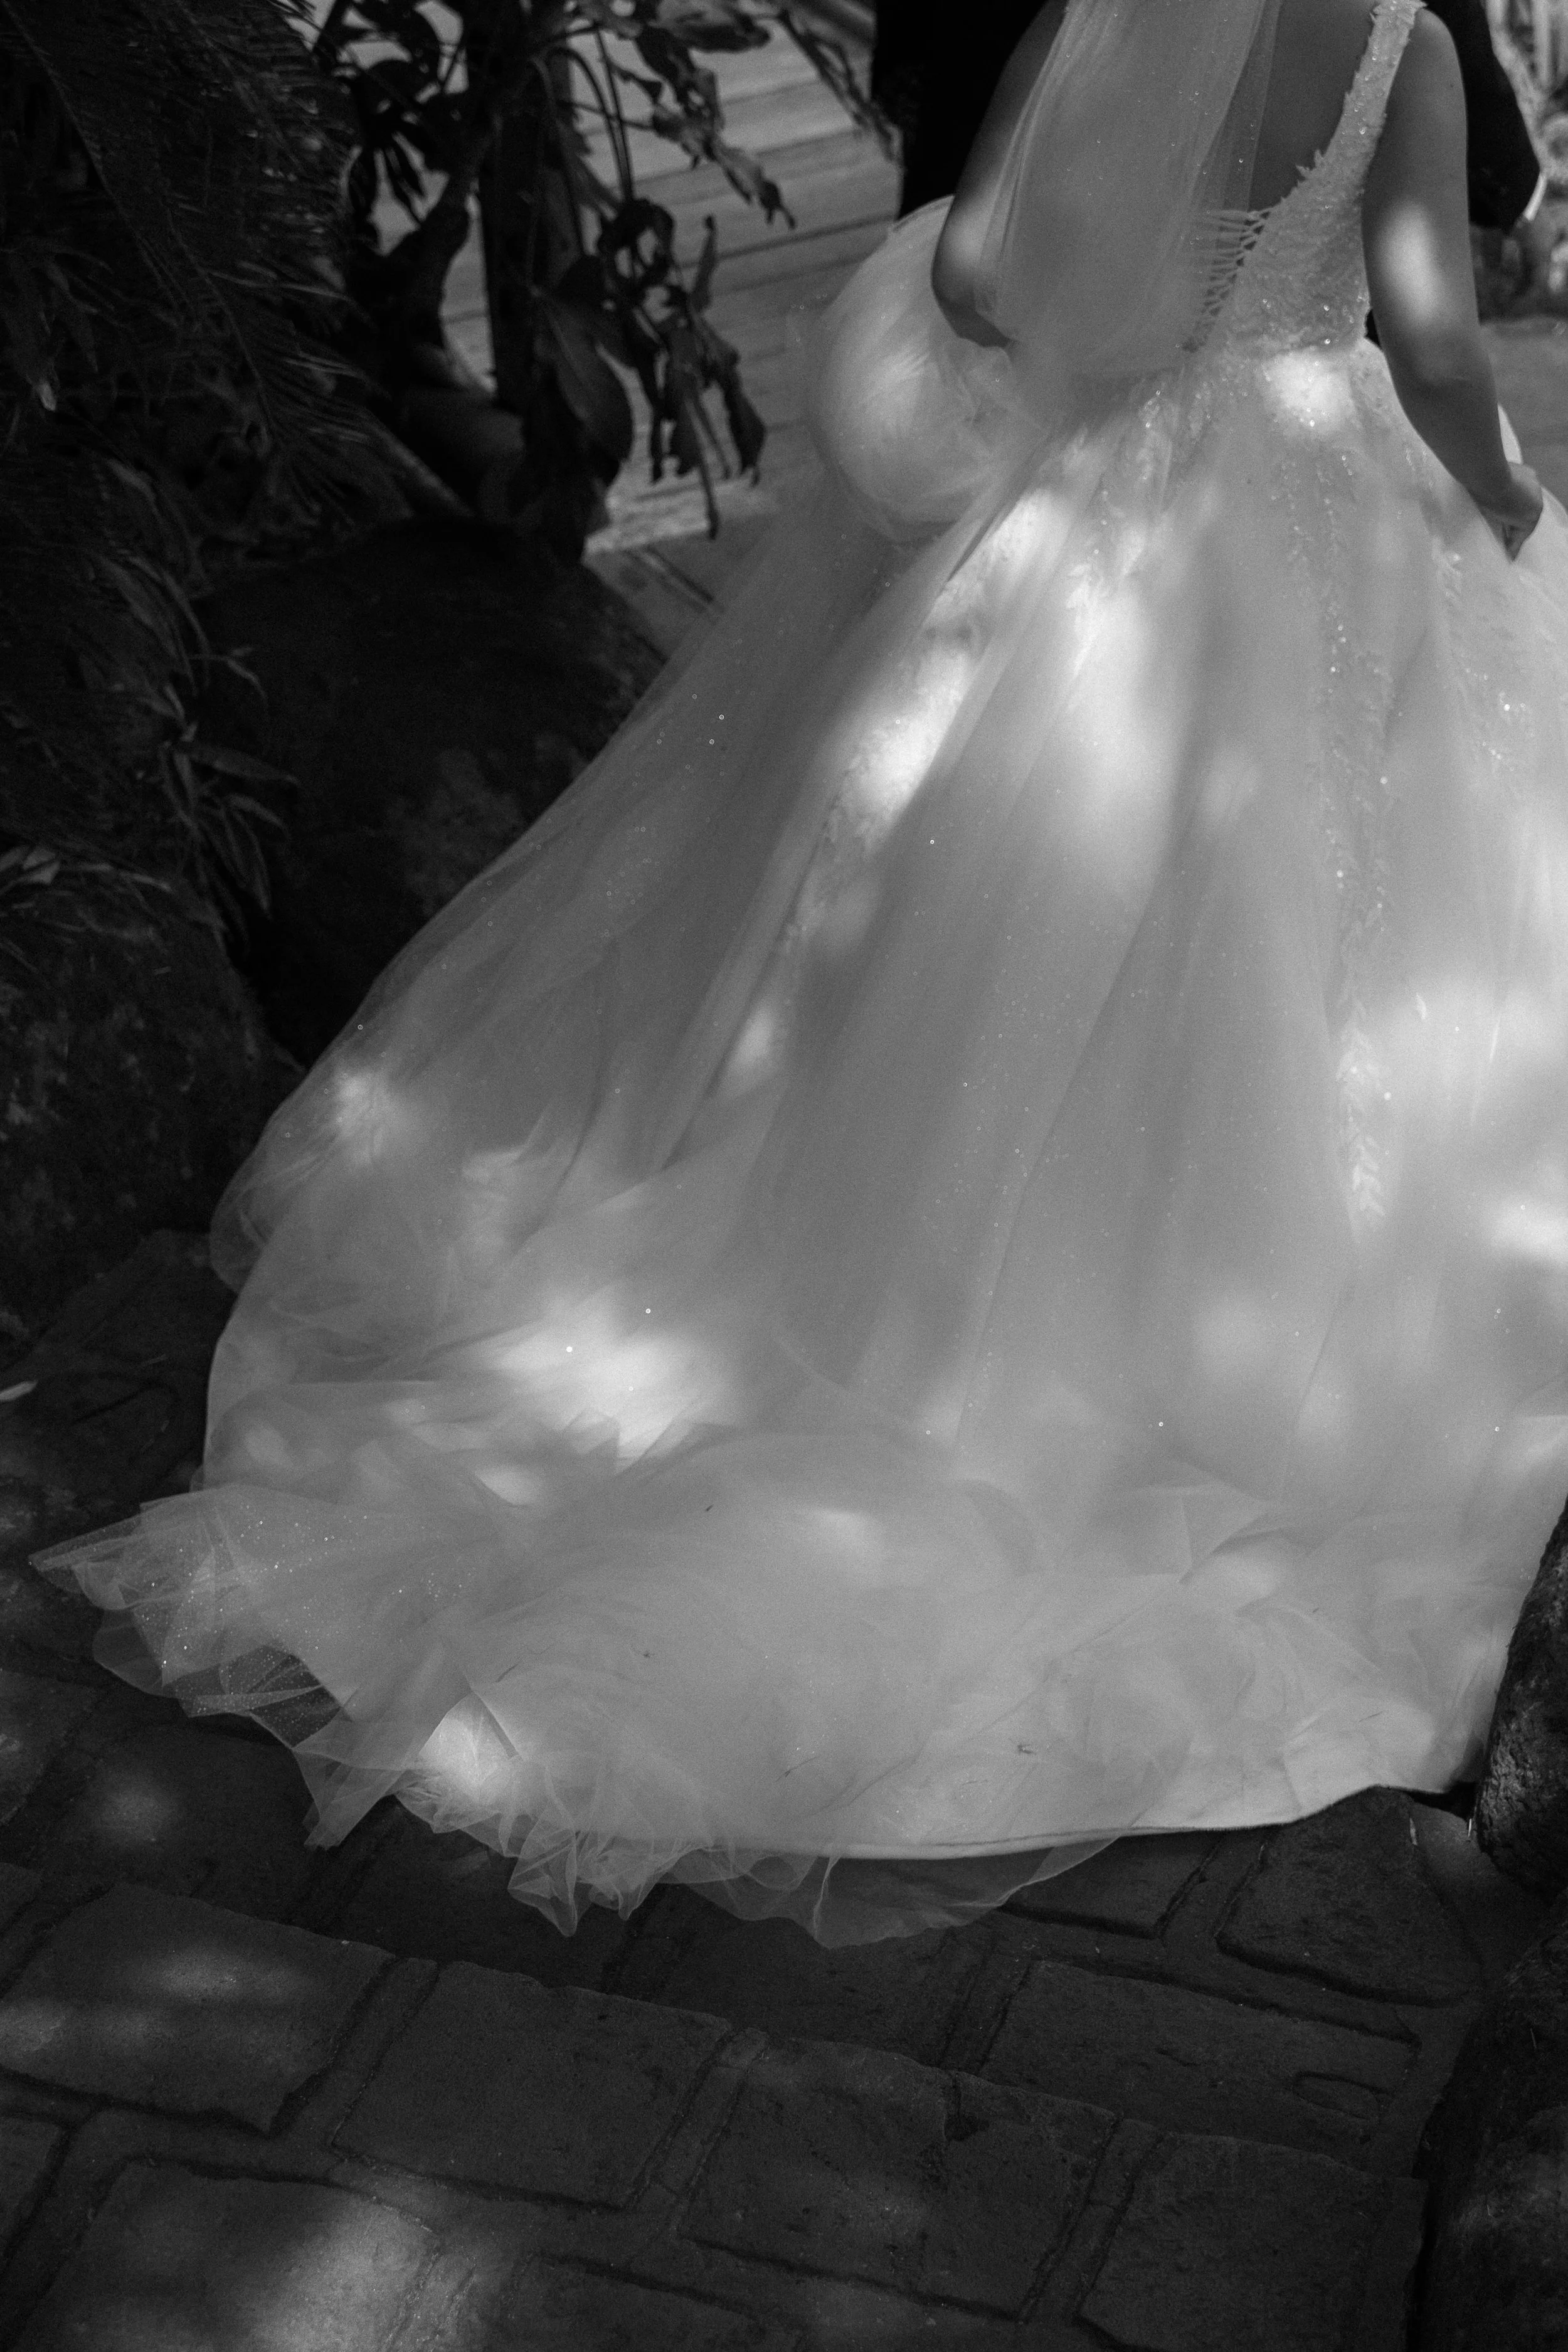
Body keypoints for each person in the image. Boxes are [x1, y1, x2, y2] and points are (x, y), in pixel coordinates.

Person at [38, 0, 1568, 1947]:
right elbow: (1432, 342)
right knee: (1328, 942)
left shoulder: (1115, 15)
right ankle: (1256, 1333)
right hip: (1324, 524)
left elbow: (983, 274)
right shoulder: (1403, 47)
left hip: (1103, 530)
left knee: (978, 939)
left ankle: (910, 1300)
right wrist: (1507, 516)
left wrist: (1134, 330)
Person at [876, 0, 1557, 287]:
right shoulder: (1402, 43)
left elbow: (963, 285)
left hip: (1011, 174)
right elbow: (1434, 362)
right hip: (1320, 422)